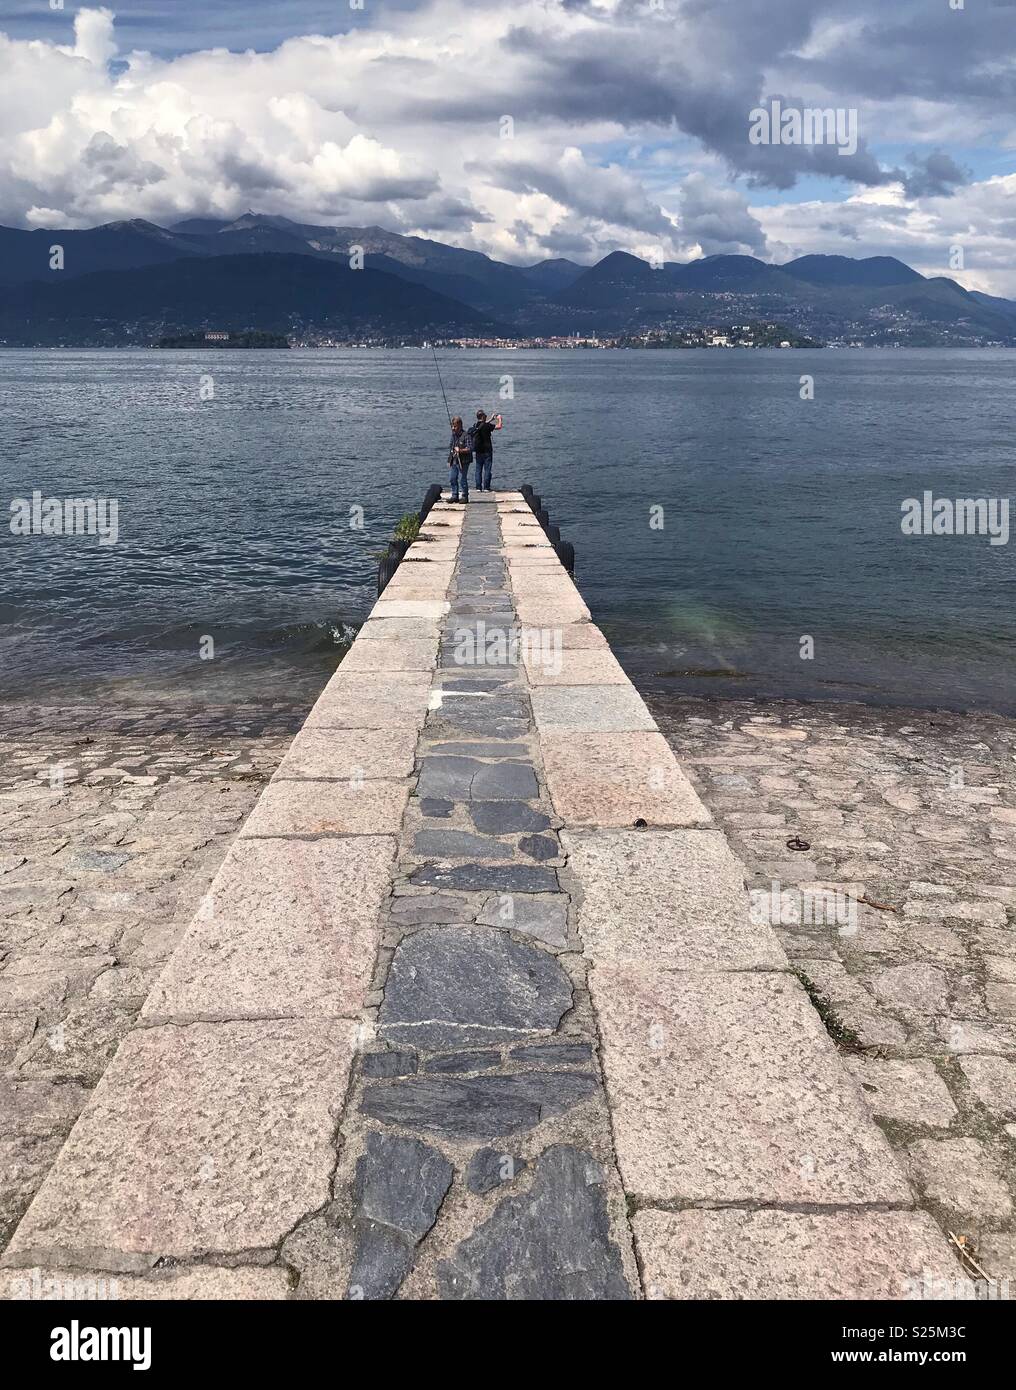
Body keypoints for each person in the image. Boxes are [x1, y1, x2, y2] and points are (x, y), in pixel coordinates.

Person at [469, 409, 502, 491]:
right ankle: (486, 487)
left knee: (478, 470)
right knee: (487, 469)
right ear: (483, 416)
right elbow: (499, 426)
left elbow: (483, 424)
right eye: (485, 416)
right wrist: (500, 419)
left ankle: (478, 487)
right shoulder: (487, 426)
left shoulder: (475, 425)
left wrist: (491, 419)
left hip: (478, 451)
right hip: (487, 451)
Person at [447, 416, 472, 502]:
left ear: (460, 425)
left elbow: (470, 448)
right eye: (452, 426)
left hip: (464, 461)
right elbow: (451, 448)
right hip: (454, 460)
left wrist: (460, 450)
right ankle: (455, 495)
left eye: (455, 426)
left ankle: (465, 496)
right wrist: (449, 460)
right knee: (452, 478)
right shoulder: (453, 436)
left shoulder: (466, 435)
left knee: (462, 479)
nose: (453, 428)